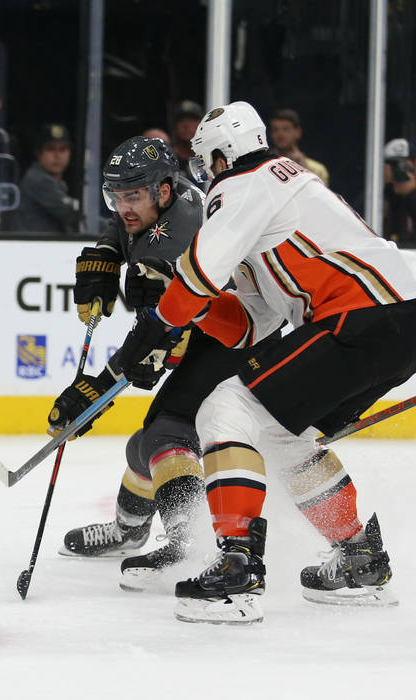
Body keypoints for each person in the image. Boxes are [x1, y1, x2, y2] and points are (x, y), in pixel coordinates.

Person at [103, 101, 416, 624]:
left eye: (202, 159)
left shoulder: (244, 185)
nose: (202, 172)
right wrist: (186, 305)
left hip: (362, 316)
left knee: (224, 412)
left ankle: (237, 570)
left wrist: (159, 322)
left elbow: (202, 273)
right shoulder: (277, 191)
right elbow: (250, 322)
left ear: (217, 156)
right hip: (401, 322)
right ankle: (358, 559)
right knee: (282, 435)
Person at [49, 136, 281, 591]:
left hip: (238, 340)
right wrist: (107, 254)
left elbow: (154, 346)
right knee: (146, 444)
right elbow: (125, 227)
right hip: (216, 330)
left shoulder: (176, 237)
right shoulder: (164, 199)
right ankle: (130, 530)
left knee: (167, 433)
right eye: (114, 196)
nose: (122, 206)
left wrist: (97, 388)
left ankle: (185, 545)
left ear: (163, 191)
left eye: (132, 195)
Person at [16, 123, 79, 234]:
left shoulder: (55, 181)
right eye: (50, 149)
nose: (57, 155)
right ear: (39, 153)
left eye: (63, 149)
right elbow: (73, 213)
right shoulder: (37, 179)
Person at [382, 137, 416, 243]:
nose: (398, 170)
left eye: (402, 164)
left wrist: (413, 194)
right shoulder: (381, 195)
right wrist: (381, 185)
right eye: (392, 165)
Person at [267, 108, 329, 186]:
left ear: (298, 132)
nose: (280, 134)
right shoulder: (264, 166)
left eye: (286, 129)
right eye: (275, 129)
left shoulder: (317, 169)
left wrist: (304, 168)